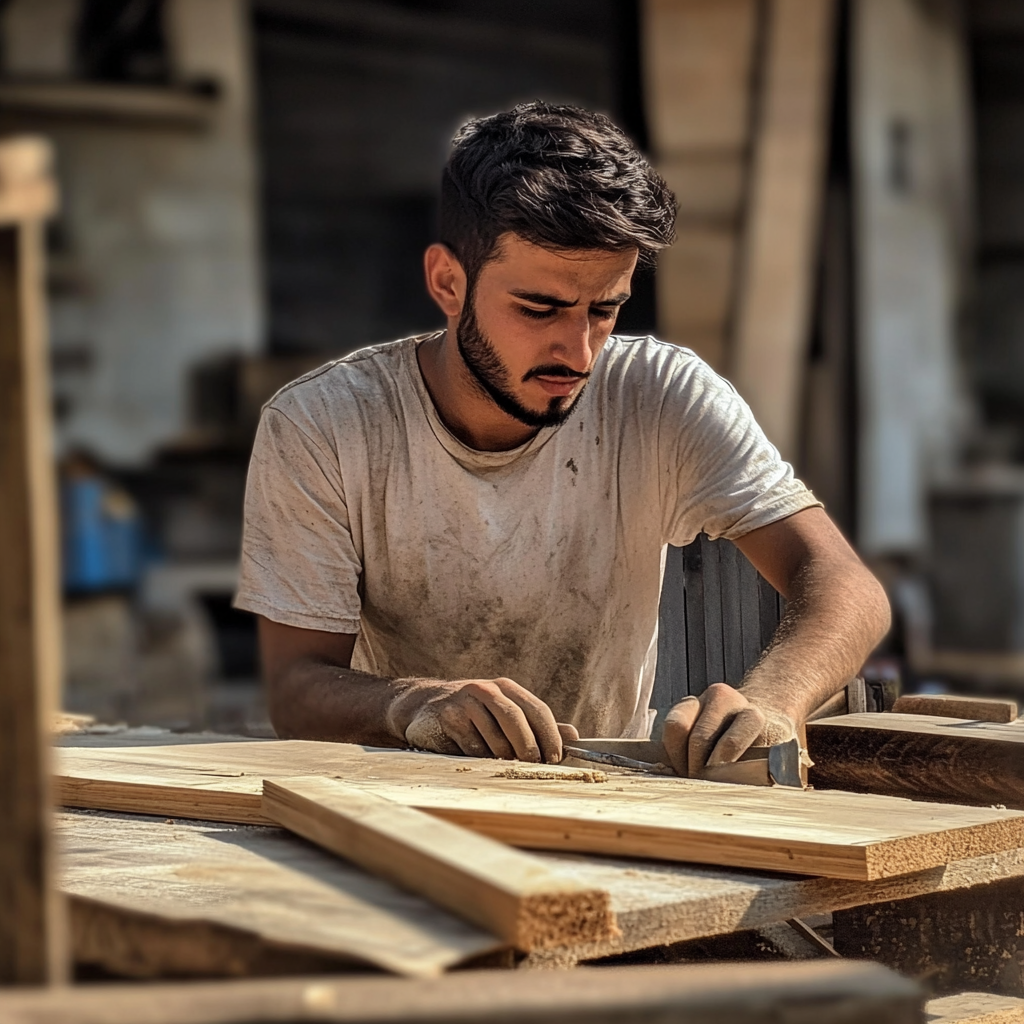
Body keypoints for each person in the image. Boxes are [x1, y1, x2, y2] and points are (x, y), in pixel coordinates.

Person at [234, 102, 890, 777]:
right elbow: (295, 689)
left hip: (604, 794)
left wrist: (776, 702)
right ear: (448, 282)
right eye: (539, 309)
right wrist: (412, 706)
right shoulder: (322, 425)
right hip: (399, 801)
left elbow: (844, 584)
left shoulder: (660, 395)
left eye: (604, 309)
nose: (576, 351)